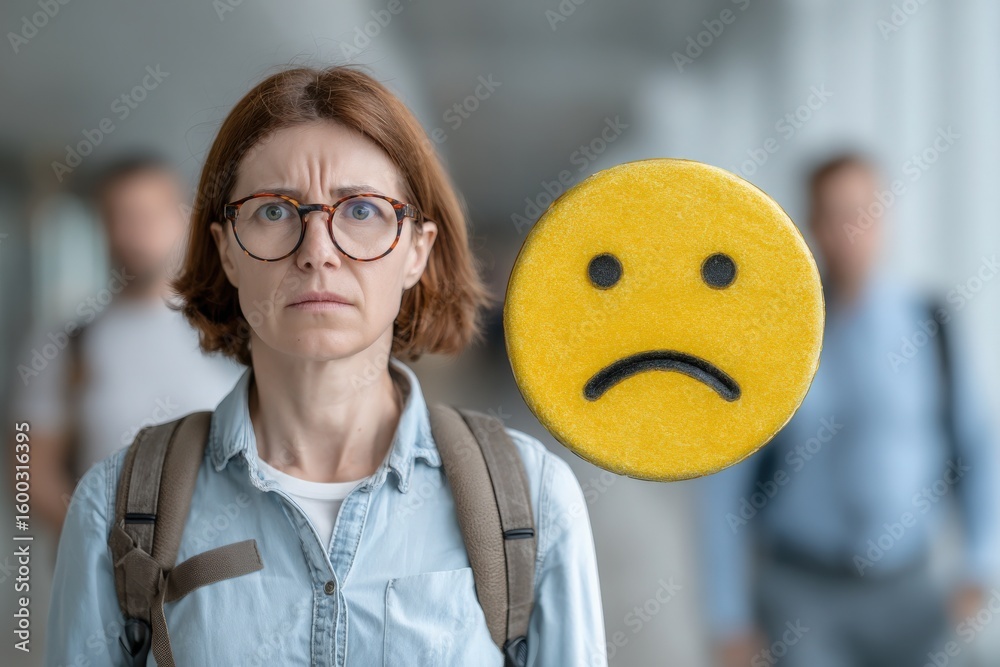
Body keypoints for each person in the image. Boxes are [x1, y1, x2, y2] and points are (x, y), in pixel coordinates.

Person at [45, 66, 607, 666]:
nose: (318, 253)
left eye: (361, 211)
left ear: (417, 250)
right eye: (273, 212)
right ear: (226, 252)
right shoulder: (116, 506)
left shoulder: (530, 499)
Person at [701, 153, 998, 667]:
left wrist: (981, 563)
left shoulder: (930, 324)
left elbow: (978, 446)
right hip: (802, 594)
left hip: (911, 589)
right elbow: (723, 487)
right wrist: (727, 617)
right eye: (835, 214)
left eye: (864, 211)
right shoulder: (774, 337)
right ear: (812, 225)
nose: (851, 231)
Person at [12, 155, 243, 537]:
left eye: (149, 215)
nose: (134, 232)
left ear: (184, 220)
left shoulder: (232, 327)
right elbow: (29, 471)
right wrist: (103, 548)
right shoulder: (65, 341)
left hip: (220, 568)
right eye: (119, 216)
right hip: (108, 578)